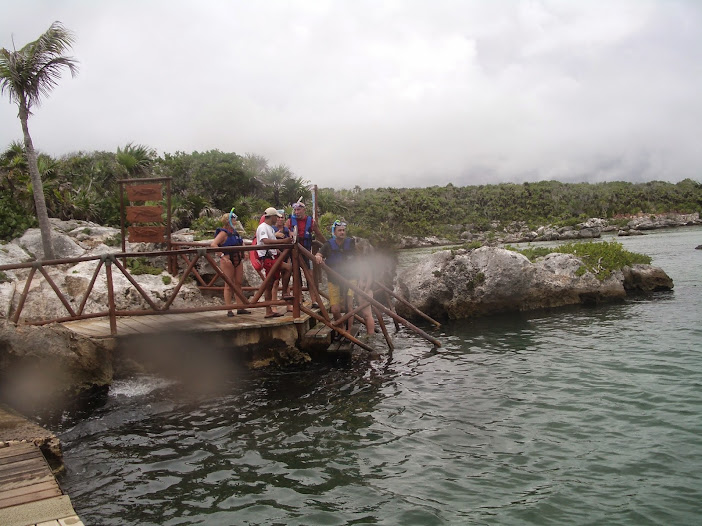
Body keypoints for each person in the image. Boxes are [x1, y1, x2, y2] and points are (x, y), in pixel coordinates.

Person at [315, 220, 358, 331]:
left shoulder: (351, 243)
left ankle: (348, 331)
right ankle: (341, 328)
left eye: (343, 230)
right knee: (335, 309)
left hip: (350, 278)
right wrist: (319, 256)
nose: (342, 232)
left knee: (349, 305)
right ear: (334, 232)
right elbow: (320, 253)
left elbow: (358, 258)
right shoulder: (328, 245)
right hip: (334, 279)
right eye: (339, 230)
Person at [256, 207, 293, 318]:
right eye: (276, 216)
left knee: (270, 285)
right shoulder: (263, 227)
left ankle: (269, 310)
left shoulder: (269, 228)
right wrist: (283, 242)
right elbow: (265, 241)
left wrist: (279, 249)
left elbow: (270, 242)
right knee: (288, 268)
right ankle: (284, 293)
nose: (277, 219)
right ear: (271, 216)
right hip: (267, 258)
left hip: (271, 257)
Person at [211, 211, 250, 317]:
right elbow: (214, 244)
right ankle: (229, 309)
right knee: (228, 284)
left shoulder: (235, 233)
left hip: (238, 259)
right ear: (228, 221)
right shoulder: (223, 233)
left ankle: (240, 307)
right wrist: (222, 256)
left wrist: (245, 251)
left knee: (238, 283)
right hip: (228, 260)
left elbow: (242, 242)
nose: (235, 220)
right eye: (233, 218)